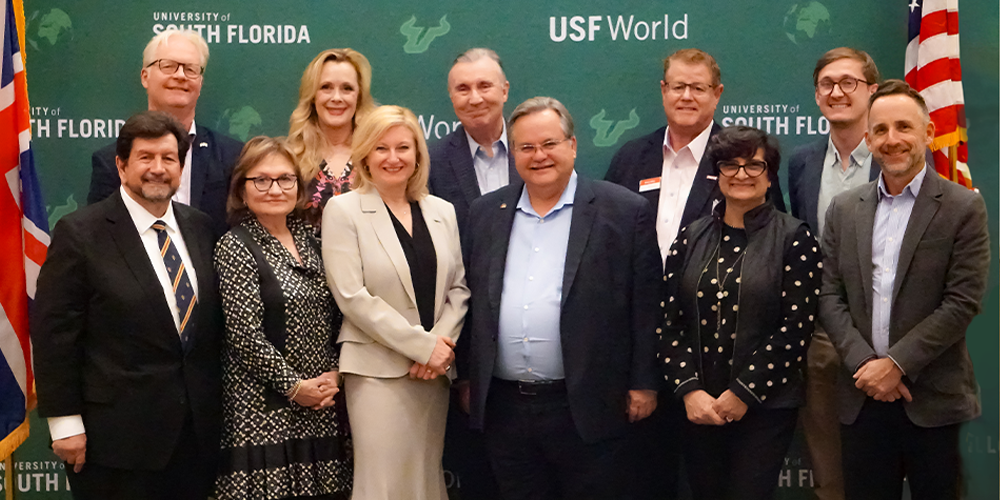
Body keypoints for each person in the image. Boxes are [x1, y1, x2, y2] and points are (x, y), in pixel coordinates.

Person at [604, 47, 782, 500]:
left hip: (717, 360)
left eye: (698, 88)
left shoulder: (743, 161)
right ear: (663, 91)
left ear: (717, 94)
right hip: (642, 349)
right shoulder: (630, 158)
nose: (687, 96)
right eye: (677, 86)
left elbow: (769, 251)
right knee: (645, 479)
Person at [462, 96, 661, 499]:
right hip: (506, 408)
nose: (539, 156)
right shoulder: (484, 213)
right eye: (527, 147)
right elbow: (471, 304)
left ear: (572, 145)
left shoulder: (623, 211)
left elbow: (646, 305)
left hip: (588, 404)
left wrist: (644, 383)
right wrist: (467, 378)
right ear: (513, 152)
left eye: (549, 144)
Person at [32, 111, 224, 500]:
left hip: (195, 438)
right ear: (121, 165)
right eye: (145, 157)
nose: (158, 169)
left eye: (169, 159)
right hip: (115, 442)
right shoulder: (81, 233)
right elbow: (55, 335)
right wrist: (64, 423)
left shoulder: (201, 227)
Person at [819, 79, 990, 500]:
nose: (891, 140)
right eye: (880, 130)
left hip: (932, 399)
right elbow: (827, 294)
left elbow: (962, 301)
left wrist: (895, 364)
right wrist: (866, 365)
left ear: (928, 133)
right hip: (861, 400)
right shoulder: (844, 209)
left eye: (903, 127)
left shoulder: (963, 207)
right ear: (868, 137)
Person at [660, 126, 821, 500]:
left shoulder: (795, 238)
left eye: (753, 166)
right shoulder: (691, 235)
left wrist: (742, 394)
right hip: (697, 405)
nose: (741, 175)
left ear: (769, 176)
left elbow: (796, 330)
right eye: (730, 165)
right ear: (716, 175)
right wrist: (689, 391)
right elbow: (668, 321)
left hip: (765, 407)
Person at [322, 105, 470, 500]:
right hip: (376, 373)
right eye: (381, 148)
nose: (393, 158)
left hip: (434, 374)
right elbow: (352, 297)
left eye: (403, 147)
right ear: (365, 155)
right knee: (382, 486)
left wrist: (439, 348)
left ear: (418, 154)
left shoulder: (443, 212)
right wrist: (423, 347)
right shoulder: (343, 209)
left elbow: (459, 289)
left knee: (425, 479)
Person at [214, 137, 351, 500]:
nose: (274, 189)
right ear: (242, 190)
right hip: (263, 413)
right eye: (261, 180)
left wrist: (334, 374)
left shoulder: (315, 239)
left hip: (322, 403)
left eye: (285, 179)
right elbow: (244, 335)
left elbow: (343, 314)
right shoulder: (235, 245)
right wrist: (295, 388)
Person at [786, 47, 881, 500]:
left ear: (872, 91)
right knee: (827, 464)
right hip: (821, 333)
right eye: (827, 84)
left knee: (887, 460)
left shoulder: (897, 157)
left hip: (888, 335)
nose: (837, 92)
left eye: (849, 82)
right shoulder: (802, 163)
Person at [88, 29, 243, 233]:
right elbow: (99, 239)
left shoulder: (233, 156)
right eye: (168, 66)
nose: (180, 76)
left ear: (200, 82)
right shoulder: (111, 161)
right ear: (145, 77)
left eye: (190, 69)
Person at [429, 48, 521, 234]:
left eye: (484, 86)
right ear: (452, 97)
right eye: (463, 89)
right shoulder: (432, 162)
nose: (475, 99)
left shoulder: (535, 150)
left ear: (504, 91)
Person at [288, 48, 377, 236]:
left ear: (359, 96)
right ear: (312, 96)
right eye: (326, 87)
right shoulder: (289, 159)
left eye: (347, 88)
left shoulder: (378, 155)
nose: (336, 98)